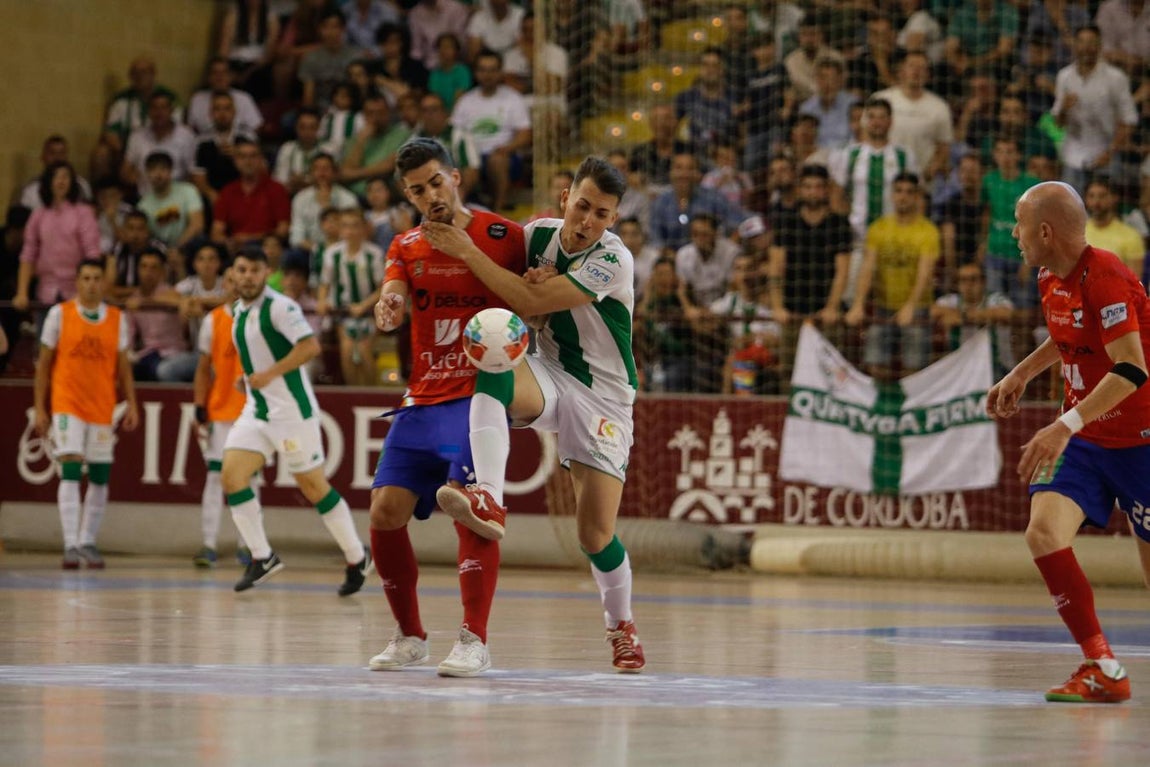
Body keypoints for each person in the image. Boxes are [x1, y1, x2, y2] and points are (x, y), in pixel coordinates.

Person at [424, 156, 647, 673]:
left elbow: (526, 296)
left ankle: (621, 624)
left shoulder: (613, 259)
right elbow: (493, 246)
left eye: (601, 214)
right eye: (582, 206)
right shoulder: (537, 235)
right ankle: (490, 498)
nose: (587, 221)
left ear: (613, 219)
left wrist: (479, 258)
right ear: (566, 198)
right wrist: (444, 208)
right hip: (548, 373)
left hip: (603, 397)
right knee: (493, 350)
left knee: (594, 535)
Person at [366, 138, 526, 677]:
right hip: (421, 397)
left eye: (436, 182)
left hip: (477, 396)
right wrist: (389, 304)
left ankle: (474, 639)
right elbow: (392, 291)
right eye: (417, 190)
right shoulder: (405, 244)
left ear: (455, 178)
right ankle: (410, 636)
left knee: (471, 511)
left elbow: (533, 295)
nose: (430, 195)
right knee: (384, 512)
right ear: (407, 195)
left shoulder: (503, 236)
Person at [986, 181, 1150, 703]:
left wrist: (1063, 425)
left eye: (1019, 224)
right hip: (1084, 438)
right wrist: (1022, 372)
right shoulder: (1048, 276)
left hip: (1141, 441)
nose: (1014, 234)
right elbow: (1071, 339)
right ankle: (1103, 666)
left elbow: (1132, 369)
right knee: (1043, 532)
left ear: (1045, 231)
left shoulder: (1106, 277)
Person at [221, 245, 371, 595]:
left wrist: (269, 374)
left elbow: (309, 347)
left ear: (266, 273)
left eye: (254, 270)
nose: (247, 277)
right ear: (233, 274)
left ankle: (356, 556)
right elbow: (258, 356)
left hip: (291, 414)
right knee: (232, 477)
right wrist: (248, 380)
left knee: (313, 487)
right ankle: (262, 556)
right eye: (242, 270)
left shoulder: (281, 307)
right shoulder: (239, 311)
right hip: (257, 410)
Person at [33, 259, 139, 569]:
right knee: (70, 465)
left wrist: (132, 403)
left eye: (96, 278)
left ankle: (87, 540)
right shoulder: (60, 314)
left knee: (100, 475)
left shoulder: (117, 319)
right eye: (86, 278)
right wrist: (40, 407)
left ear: (104, 283)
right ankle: (70, 544)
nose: (92, 284)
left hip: (102, 406)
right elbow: (43, 365)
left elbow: (124, 367)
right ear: (77, 282)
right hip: (68, 403)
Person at [846, 172, 940, 377]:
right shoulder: (878, 228)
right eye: (898, 191)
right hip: (883, 307)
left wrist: (910, 306)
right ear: (892, 194)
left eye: (909, 192)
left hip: (918, 308)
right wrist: (858, 304)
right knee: (874, 364)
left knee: (913, 368)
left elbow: (925, 274)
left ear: (917, 196)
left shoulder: (928, 231)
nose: (903, 196)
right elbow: (867, 268)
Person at [191, 268, 244, 567]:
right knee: (215, 477)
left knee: (248, 478)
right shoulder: (213, 321)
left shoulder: (258, 318)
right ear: (224, 285)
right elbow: (202, 367)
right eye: (231, 281)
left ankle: (248, 546)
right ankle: (208, 544)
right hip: (221, 410)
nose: (236, 286)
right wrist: (200, 403)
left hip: (251, 412)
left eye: (240, 281)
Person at [13, 162, 102, 315]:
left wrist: (90, 287)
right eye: (56, 177)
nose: (61, 181)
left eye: (65, 177)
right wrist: (22, 292)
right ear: (49, 182)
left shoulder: (83, 213)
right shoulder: (38, 215)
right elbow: (28, 255)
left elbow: (92, 254)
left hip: (77, 292)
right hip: (46, 292)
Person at [450, 49, 532, 212]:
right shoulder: (465, 101)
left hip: (504, 156)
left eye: (492, 70)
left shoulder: (513, 98)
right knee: (465, 163)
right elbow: (453, 132)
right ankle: (457, 211)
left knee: (497, 159)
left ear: (500, 72)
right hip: (472, 156)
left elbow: (525, 135)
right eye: (483, 70)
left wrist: (507, 148)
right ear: (476, 72)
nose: (487, 75)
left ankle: (498, 211)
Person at [317, 209, 385, 386]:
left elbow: (383, 288)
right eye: (346, 226)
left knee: (364, 351)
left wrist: (363, 305)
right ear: (340, 229)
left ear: (364, 228)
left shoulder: (374, 254)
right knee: (347, 353)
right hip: (344, 312)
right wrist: (322, 301)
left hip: (370, 312)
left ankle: (371, 393)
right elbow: (324, 284)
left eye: (355, 226)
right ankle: (355, 393)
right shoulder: (332, 253)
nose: (350, 231)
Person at [210, 137, 291, 251]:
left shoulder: (276, 189)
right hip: (236, 249)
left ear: (261, 160)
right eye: (242, 157)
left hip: (266, 248)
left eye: (253, 156)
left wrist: (251, 239)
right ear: (235, 161)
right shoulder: (228, 191)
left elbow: (283, 230)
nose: (248, 161)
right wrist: (229, 242)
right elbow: (216, 232)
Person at [138, 151, 204, 253]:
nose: (158, 174)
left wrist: (176, 248)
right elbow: (147, 236)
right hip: (160, 252)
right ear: (147, 172)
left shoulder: (188, 191)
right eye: (153, 169)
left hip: (190, 248)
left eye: (163, 169)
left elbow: (197, 225)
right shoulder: (143, 205)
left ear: (171, 171)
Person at [1084, 177, 1146, 280]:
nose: (1096, 202)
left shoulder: (1131, 236)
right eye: (1091, 196)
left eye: (1102, 196)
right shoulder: (1077, 233)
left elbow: (1135, 282)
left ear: (1115, 198)